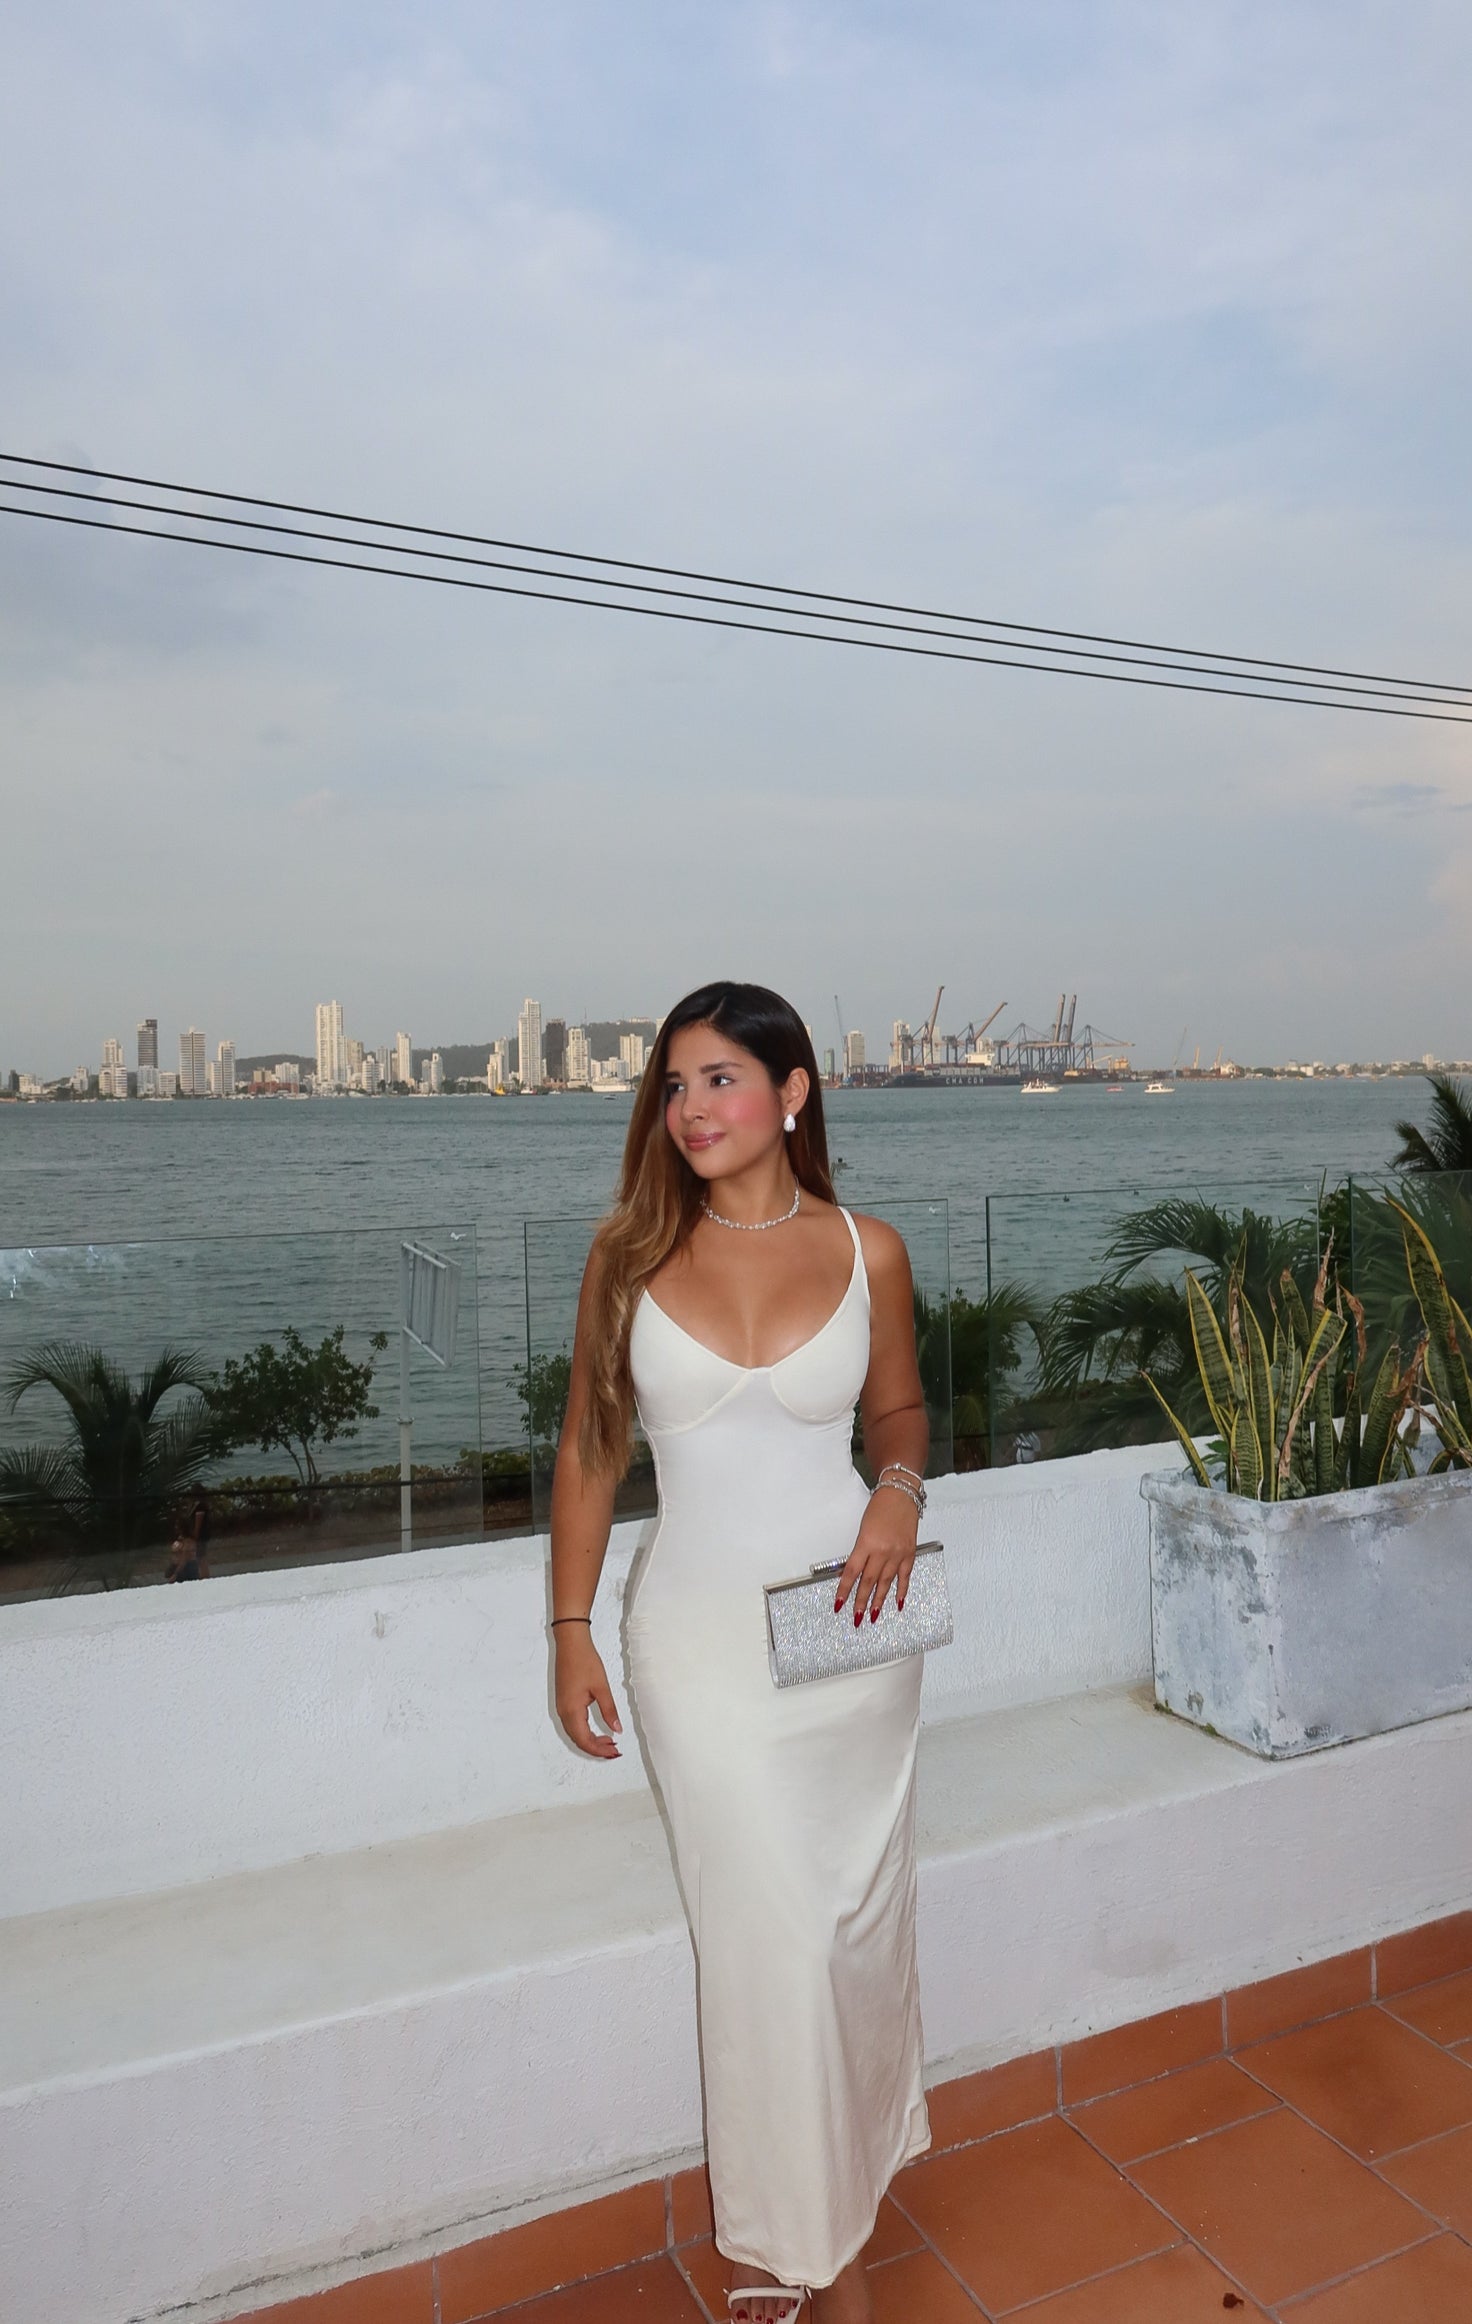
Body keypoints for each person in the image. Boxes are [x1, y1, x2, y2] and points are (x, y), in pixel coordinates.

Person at [551, 981, 932, 2324]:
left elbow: (899, 1414)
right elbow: (589, 1449)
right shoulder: (628, 1259)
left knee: (845, 1937)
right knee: (764, 1939)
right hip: (701, 1645)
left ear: (793, 1091)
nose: (691, 1108)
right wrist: (569, 1628)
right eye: (674, 1086)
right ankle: (804, 2253)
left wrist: (899, 1492)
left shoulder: (870, 1250)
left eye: (719, 1078)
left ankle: (838, 2203)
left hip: (855, 1635)